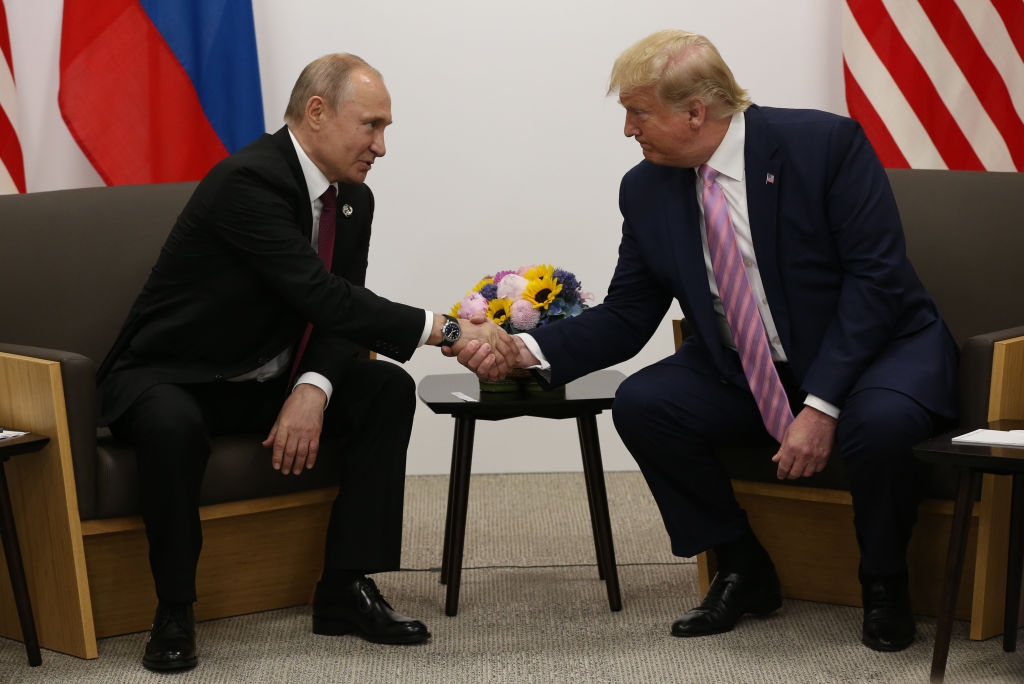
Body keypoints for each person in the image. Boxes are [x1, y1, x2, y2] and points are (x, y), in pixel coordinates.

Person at [454, 30, 957, 651]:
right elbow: (629, 313)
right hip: (751, 367)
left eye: (638, 113)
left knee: (878, 426)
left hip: (876, 352)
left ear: (695, 111)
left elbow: (876, 283)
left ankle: (884, 582)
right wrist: (523, 351)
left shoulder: (823, 145)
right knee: (646, 405)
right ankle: (742, 567)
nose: (628, 130)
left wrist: (822, 403)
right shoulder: (646, 187)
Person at [97, 53, 510, 672]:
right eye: (371, 125)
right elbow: (321, 295)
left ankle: (345, 587)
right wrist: (447, 329)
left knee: (383, 389)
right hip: (173, 374)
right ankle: (174, 611)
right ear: (317, 112)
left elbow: (341, 311)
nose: (381, 146)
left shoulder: (353, 200)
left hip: (264, 377)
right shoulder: (248, 182)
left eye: (384, 129)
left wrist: (313, 388)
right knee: (171, 425)